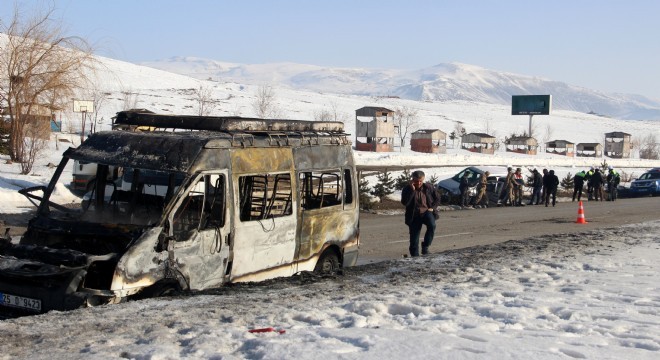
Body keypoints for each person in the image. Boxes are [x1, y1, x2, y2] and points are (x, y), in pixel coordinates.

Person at [401, 170, 440, 257]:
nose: (418, 183)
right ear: (412, 180)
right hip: (413, 215)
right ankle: (415, 256)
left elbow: (437, 198)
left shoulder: (428, 187)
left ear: (423, 180)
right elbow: (405, 203)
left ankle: (425, 246)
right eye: (416, 181)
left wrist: (432, 208)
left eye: (420, 181)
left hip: (426, 211)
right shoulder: (407, 189)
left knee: (432, 225)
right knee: (414, 238)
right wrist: (412, 190)